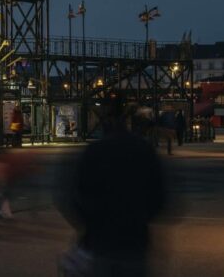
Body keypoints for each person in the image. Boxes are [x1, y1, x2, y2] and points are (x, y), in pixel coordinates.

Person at [56, 100, 166, 276]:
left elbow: (70, 196)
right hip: (135, 241)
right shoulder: (144, 150)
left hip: (99, 241)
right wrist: (140, 218)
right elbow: (160, 198)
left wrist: (90, 223)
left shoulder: (93, 151)